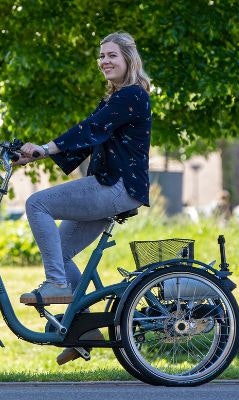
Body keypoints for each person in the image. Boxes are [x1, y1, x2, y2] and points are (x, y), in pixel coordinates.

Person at [13, 32, 152, 364]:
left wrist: (45, 148)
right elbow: (90, 140)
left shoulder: (132, 96)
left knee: (37, 203)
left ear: (129, 59)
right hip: (110, 186)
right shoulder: (115, 98)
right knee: (59, 251)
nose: (104, 61)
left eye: (111, 56)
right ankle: (86, 333)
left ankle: (56, 284)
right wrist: (34, 155)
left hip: (115, 187)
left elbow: (90, 128)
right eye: (101, 57)